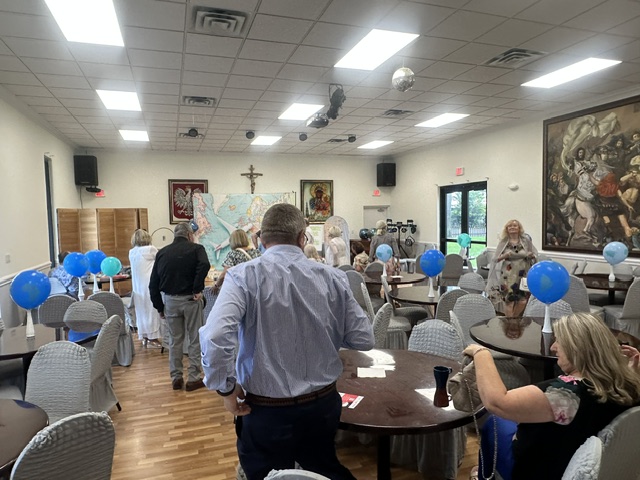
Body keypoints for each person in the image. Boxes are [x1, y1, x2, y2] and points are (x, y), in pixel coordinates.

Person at [199, 203, 374, 480]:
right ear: (302, 238)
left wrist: (226, 389)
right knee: (322, 471)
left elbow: (215, 336)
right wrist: (324, 329)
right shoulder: (333, 278)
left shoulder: (242, 276)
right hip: (321, 406)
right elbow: (363, 338)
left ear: (261, 239)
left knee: (266, 476)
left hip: (266, 410)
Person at [467, 313, 640, 480]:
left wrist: (481, 353)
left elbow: (497, 402)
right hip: (593, 464)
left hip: (542, 470)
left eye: (559, 341)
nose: (553, 347)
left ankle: (485, 475)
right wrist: (631, 373)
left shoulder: (567, 394)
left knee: (494, 422)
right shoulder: (628, 385)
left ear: (576, 348)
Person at [149, 222, 210, 391]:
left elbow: (153, 284)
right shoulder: (197, 249)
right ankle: (193, 378)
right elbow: (204, 265)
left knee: (175, 341)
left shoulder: (162, 253)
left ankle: (176, 377)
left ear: (175, 235)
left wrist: (159, 307)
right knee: (194, 339)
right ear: (190, 235)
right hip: (191, 300)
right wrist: (197, 288)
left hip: (170, 301)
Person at [486, 219, 537, 317]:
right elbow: (495, 259)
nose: (512, 227)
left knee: (522, 301)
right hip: (508, 276)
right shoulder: (503, 242)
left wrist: (531, 255)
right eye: (510, 226)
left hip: (522, 275)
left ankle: (513, 319)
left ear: (519, 228)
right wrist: (504, 256)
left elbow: (533, 254)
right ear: (507, 229)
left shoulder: (526, 241)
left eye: (515, 225)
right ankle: (510, 323)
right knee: (509, 301)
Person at [129, 229, 162, 348]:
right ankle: (153, 337)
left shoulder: (132, 252)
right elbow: (161, 258)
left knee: (142, 312)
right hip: (149, 285)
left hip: (137, 286)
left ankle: (144, 336)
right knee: (152, 311)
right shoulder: (150, 249)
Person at [213, 229, 260, 295]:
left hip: (240, 291)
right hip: (255, 290)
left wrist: (216, 286)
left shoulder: (233, 254)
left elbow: (224, 274)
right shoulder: (256, 252)